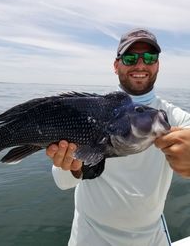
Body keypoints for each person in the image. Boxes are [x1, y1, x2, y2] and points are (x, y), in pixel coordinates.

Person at [46, 28, 190, 246]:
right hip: (90, 234)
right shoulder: (88, 112)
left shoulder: (173, 118)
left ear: (158, 65)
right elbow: (62, 182)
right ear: (116, 65)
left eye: (150, 58)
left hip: (150, 237)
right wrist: (73, 167)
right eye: (130, 57)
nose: (140, 65)